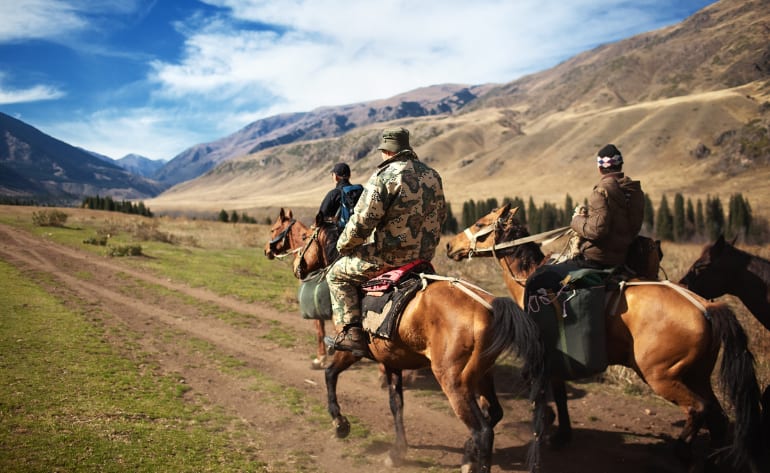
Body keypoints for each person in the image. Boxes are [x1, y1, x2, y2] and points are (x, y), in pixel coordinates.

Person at [325, 127, 447, 356]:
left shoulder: (386, 176)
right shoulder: (432, 175)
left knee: (336, 274)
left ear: (388, 151)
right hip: (423, 257)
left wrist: (343, 246)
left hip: (390, 257)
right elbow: (441, 215)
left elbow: (363, 221)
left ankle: (352, 334)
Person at [569, 144, 644, 269]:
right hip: (623, 256)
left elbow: (596, 230)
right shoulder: (635, 191)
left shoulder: (601, 191)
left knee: (540, 279)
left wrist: (576, 219)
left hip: (597, 258)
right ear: (620, 165)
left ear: (600, 168)